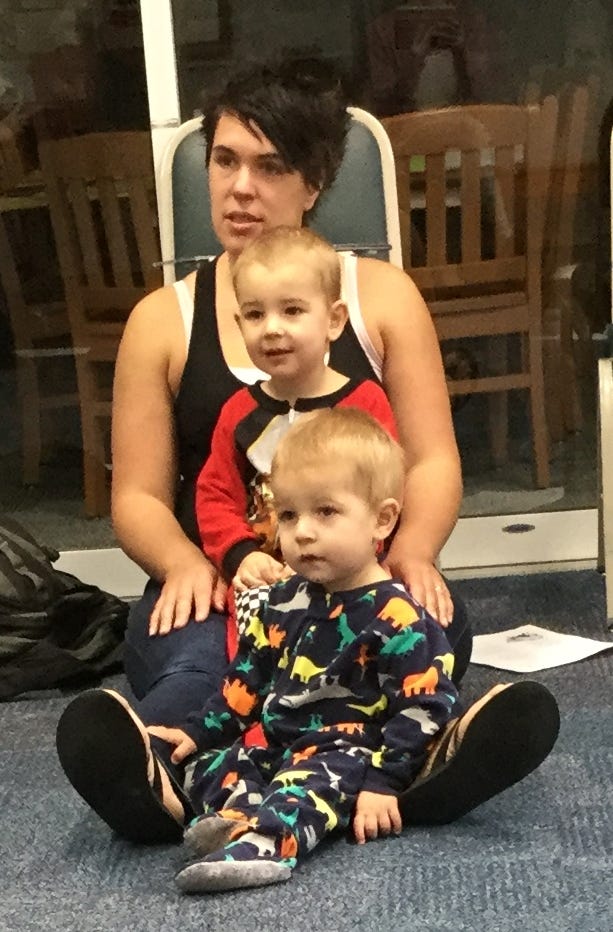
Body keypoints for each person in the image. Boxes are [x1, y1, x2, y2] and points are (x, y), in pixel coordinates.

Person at [70, 56, 555, 844]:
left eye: (269, 166)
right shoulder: (160, 321)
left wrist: (416, 554)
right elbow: (137, 496)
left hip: (356, 578)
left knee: (424, 630)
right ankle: (158, 766)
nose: (238, 188)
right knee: (197, 666)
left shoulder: (377, 299)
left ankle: (410, 758)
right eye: (224, 161)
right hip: (231, 587)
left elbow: (428, 459)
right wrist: (192, 564)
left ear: (316, 179)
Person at [56, 410, 558, 892]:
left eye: (326, 512)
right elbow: (242, 686)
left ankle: (268, 844)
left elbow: (424, 706)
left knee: (309, 784)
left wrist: (383, 781)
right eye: (289, 515)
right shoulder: (282, 600)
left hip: (350, 751)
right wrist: (192, 734)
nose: (302, 532)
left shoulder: (399, 617)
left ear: (382, 521)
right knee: (219, 763)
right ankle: (188, 804)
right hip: (278, 743)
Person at [195, 225, 398, 594]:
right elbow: (216, 496)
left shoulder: (364, 403)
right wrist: (242, 556)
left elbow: (385, 493)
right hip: (265, 582)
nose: (272, 329)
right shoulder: (238, 412)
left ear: (334, 320)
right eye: (255, 315)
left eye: (292, 310)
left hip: (355, 581)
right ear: (240, 324)